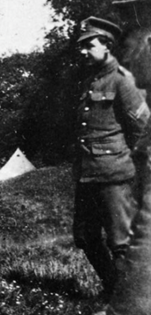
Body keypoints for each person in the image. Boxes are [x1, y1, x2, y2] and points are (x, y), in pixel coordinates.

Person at [72, 16, 149, 300]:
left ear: (106, 45)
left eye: (89, 45)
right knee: (85, 237)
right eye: (81, 45)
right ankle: (115, 287)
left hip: (114, 175)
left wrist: (126, 160)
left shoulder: (121, 81)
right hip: (87, 173)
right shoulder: (89, 81)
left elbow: (142, 128)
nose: (83, 51)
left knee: (120, 241)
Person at [93, 2, 151, 314]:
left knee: (121, 239)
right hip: (97, 170)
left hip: (113, 169)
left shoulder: (122, 80)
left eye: (129, 40)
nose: (123, 54)